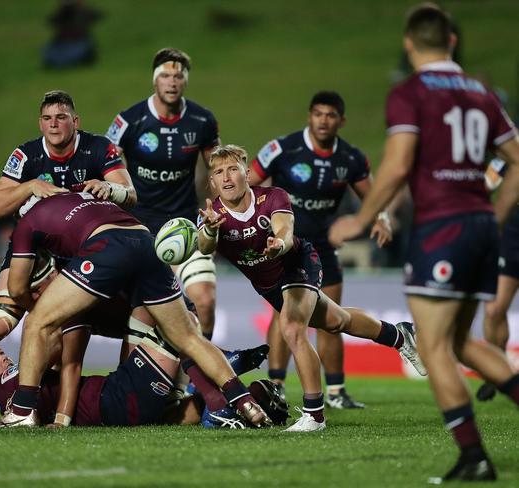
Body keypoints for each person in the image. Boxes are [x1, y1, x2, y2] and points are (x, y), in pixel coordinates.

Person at [329, 4, 519, 482]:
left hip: (442, 229)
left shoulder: (410, 93)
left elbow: (396, 166)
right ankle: (474, 455)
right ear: (452, 42)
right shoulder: (482, 93)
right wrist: (493, 215)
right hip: (479, 226)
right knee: (459, 342)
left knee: (433, 346)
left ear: (409, 44)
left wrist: (360, 220)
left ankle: (474, 456)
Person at [0, 90, 136, 425]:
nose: (54, 124)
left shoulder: (99, 148)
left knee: (67, 338)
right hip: (31, 251)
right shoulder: (26, 155)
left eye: (61, 117)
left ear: (76, 121)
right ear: (40, 123)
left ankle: (43, 408)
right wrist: (29, 187)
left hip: (79, 253)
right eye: (47, 118)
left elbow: (129, 193)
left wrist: (108, 188)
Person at [0, 190, 271, 428]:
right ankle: (244, 401)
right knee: (187, 337)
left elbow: (15, 289)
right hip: (147, 242)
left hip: (108, 245)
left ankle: (22, 412)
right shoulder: (79, 199)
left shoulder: (28, 223)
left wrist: (34, 306)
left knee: (39, 320)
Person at [198, 144, 425, 433]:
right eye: (218, 172)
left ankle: (314, 415)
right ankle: (399, 335)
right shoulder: (211, 215)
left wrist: (278, 244)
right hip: (269, 285)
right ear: (212, 182)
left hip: (297, 264)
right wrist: (209, 230)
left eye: (233, 169)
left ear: (246, 172)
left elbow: (285, 230)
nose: (227, 177)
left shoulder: (273, 197)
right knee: (337, 320)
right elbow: (204, 246)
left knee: (292, 327)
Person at [249, 91, 393, 408]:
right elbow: (250, 184)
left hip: (324, 244)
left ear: (341, 120)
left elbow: (372, 197)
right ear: (309, 116)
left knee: (333, 318)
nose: (323, 120)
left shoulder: (351, 159)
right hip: (286, 243)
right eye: (318, 113)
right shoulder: (283, 149)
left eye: (330, 115)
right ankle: (276, 385)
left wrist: (380, 218)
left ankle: (337, 392)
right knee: (283, 314)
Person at [105, 48, 220, 340]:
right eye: (166, 75)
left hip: (185, 225)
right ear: (155, 80)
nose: (172, 81)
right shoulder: (129, 121)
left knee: (204, 301)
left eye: (178, 76)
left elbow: (218, 170)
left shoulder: (202, 121)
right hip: (139, 228)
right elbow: (105, 166)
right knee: (140, 312)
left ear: (185, 81)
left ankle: (201, 377)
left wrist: (225, 207)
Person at [0, 339, 285, 428]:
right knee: (167, 327)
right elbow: (29, 416)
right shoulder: (12, 384)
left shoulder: (9, 395)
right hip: (115, 397)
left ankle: (254, 397)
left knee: (177, 415)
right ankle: (227, 367)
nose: (4, 356)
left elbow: (28, 412)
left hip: (121, 411)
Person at [476, 158, 519, 402]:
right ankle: (497, 372)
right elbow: (486, 185)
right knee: (493, 309)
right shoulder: (511, 148)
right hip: (511, 237)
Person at [42, 0, 102, 69]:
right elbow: (51, 21)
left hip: (78, 42)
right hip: (62, 44)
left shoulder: (83, 13)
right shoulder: (61, 15)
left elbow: (97, 15)